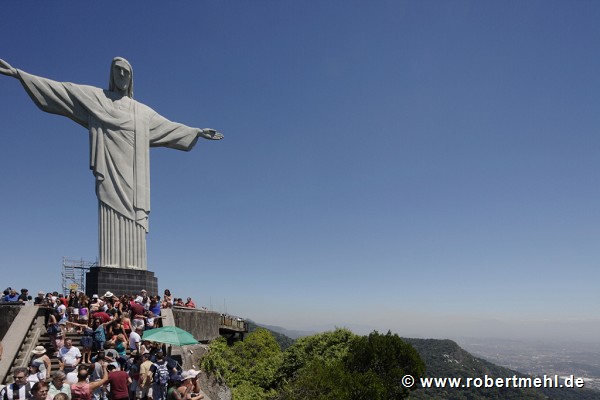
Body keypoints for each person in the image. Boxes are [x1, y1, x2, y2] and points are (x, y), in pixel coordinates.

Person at [0, 57, 223, 271]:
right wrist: (19, 74)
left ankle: (136, 265)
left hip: (135, 178)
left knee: (135, 217)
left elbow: (169, 127)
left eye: (127, 71)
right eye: (118, 70)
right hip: (109, 168)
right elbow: (61, 90)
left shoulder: (142, 112)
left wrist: (197, 132)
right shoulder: (97, 98)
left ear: (132, 77)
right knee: (110, 210)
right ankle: (111, 263)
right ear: (111, 74)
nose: (122, 74)